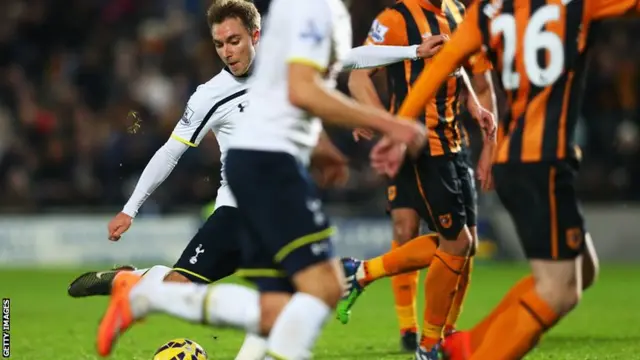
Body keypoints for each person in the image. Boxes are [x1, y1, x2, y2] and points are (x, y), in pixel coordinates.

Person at [93, 0, 427, 358]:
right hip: (243, 202)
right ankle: (141, 290)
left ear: (256, 35)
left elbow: (349, 58)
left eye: (234, 41)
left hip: (275, 191)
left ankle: (139, 285)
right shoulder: (210, 94)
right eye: (220, 45)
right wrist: (131, 209)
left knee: (288, 301)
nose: (227, 52)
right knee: (310, 292)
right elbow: (170, 152)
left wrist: (413, 51)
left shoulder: (281, 60)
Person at [370, 0, 640, 358]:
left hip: (524, 160)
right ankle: (469, 351)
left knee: (582, 270)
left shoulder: (484, 12)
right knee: (559, 291)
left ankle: (465, 346)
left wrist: (397, 126)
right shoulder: (576, 5)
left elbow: (439, 68)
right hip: (539, 161)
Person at [338, 0, 497, 357]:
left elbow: (462, 66)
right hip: (419, 146)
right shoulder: (394, 18)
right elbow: (358, 74)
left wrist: (475, 108)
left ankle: (440, 330)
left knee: (461, 247)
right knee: (421, 232)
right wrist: (386, 126)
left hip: (456, 144)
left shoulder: (458, 11)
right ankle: (419, 337)